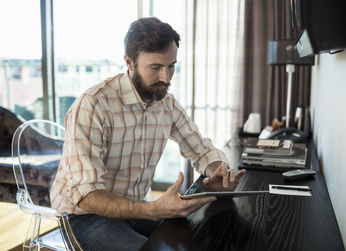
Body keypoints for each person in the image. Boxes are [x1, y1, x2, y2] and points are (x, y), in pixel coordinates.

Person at [50, 17, 246, 251]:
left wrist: (217, 172)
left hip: (135, 208)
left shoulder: (166, 104)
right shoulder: (93, 105)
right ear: (129, 62)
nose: (166, 77)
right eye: (155, 68)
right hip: (84, 216)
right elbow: (86, 196)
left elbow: (202, 150)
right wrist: (152, 209)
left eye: (171, 66)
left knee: (207, 238)